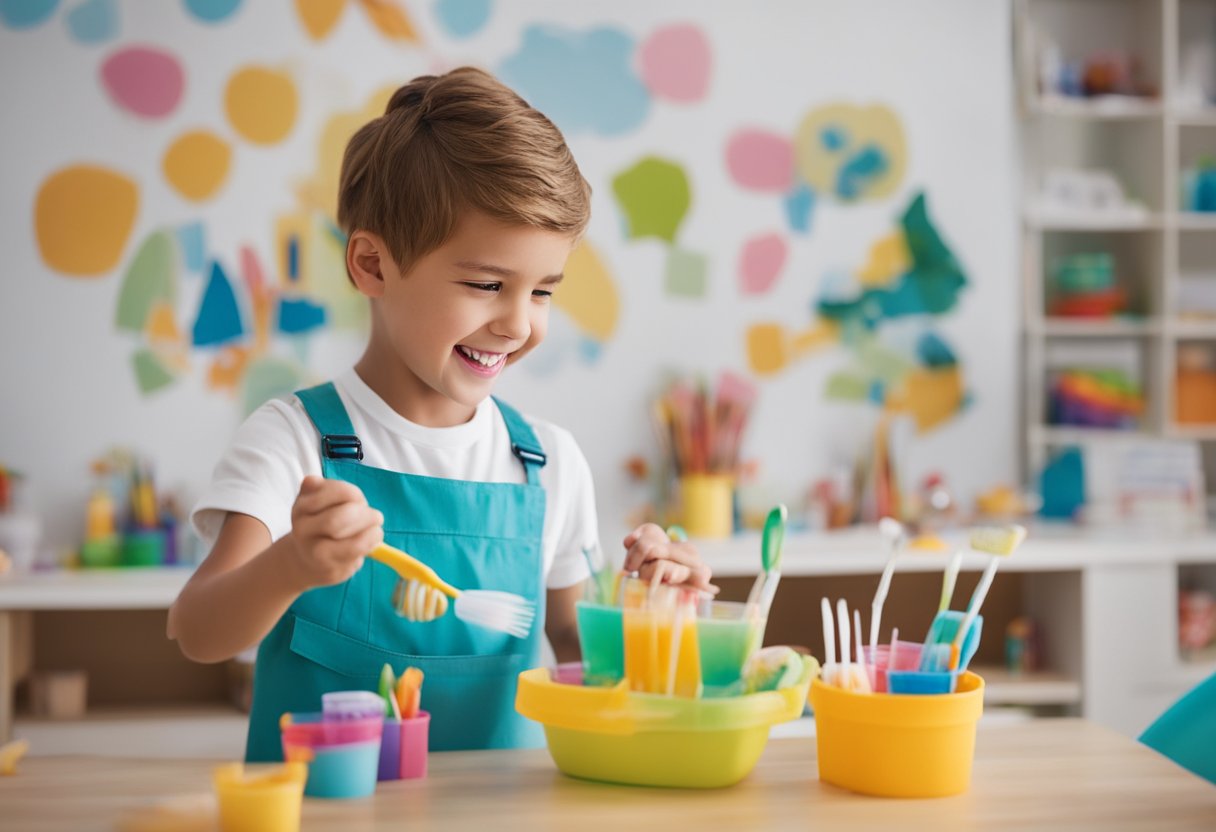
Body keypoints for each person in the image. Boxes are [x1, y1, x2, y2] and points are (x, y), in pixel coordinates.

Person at [168, 67, 715, 760]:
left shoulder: (547, 463)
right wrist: (291, 566)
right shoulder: (292, 442)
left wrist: (655, 611)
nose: (518, 324)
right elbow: (198, 630)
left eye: (543, 291)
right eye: (487, 284)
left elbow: (582, 654)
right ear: (371, 266)